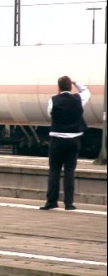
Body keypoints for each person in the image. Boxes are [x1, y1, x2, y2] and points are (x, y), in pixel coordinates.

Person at [40, 76, 91, 211]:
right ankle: (69, 203)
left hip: (57, 141)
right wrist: (77, 83)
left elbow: (50, 113)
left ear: (59, 87)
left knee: (54, 171)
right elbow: (87, 92)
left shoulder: (53, 100)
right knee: (69, 172)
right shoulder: (78, 99)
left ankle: (51, 202)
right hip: (74, 141)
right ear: (70, 87)